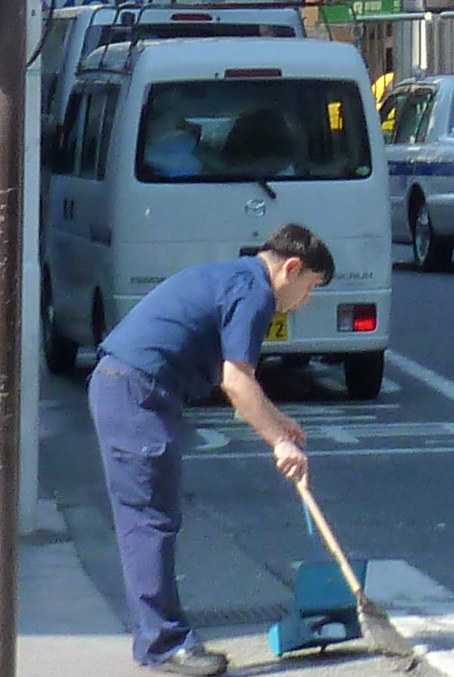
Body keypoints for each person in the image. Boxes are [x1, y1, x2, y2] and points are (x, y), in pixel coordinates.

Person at [86, 223, 328, 677]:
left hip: (130, 387)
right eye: (310, 287)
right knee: (149, 521)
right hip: (136, 391)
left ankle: (159, 638)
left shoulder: (237, 278)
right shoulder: (255, 295)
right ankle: (164, 644)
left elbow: (232, 378)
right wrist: (279, 443)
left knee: (152, 517)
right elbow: (236, 381)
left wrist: (277, 422)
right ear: (291, 268)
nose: (306, 301)